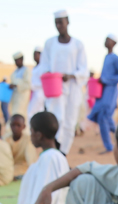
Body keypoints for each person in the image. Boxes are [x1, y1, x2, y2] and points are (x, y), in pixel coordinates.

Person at [0, 111, 70, 204]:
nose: (30, 136)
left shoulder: (49, 158)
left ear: (39, 135)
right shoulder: (56, 156)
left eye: (31, 132)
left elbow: (45, 191)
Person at [38, 10, 89, 155]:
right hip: (55, 88)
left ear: (68, 22)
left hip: (73, 88)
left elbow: (84, 69)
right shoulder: (49, 43)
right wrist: (51, 75)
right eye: (56, 23)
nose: (59, 25)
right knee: (56, 119)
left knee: (70, 122)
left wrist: (71, 76)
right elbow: (44, 66)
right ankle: (54, 150)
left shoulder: (78, 44)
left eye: (61, 22)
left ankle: (63, 153)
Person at [87, 34, 118, 154]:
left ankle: (117, 141)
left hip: (110, 91)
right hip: (102, 91)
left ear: (113, 43)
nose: (105, 42)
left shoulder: (116, 58)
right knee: (101, 117)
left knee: (105, 116)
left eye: (108, 40)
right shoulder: (106, 57)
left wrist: (106, 80)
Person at [9, 52, 32, 119]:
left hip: (23, 97)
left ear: (22, 59)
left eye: (17, 60)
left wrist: (17, 85)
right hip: (15, 96)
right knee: (14, 113)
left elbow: (28, 84)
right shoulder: (15, 72)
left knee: (21, 114)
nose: (16, 62)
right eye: (15, 61)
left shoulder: (26, 70)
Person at [26, 47, 46, 121]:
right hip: (33, 92)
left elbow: (42, 83)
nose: (34, 56)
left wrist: (31, 86)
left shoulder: (42, 67)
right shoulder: (35, 67)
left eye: (36, 54)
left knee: (32, 112)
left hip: (39, 92)